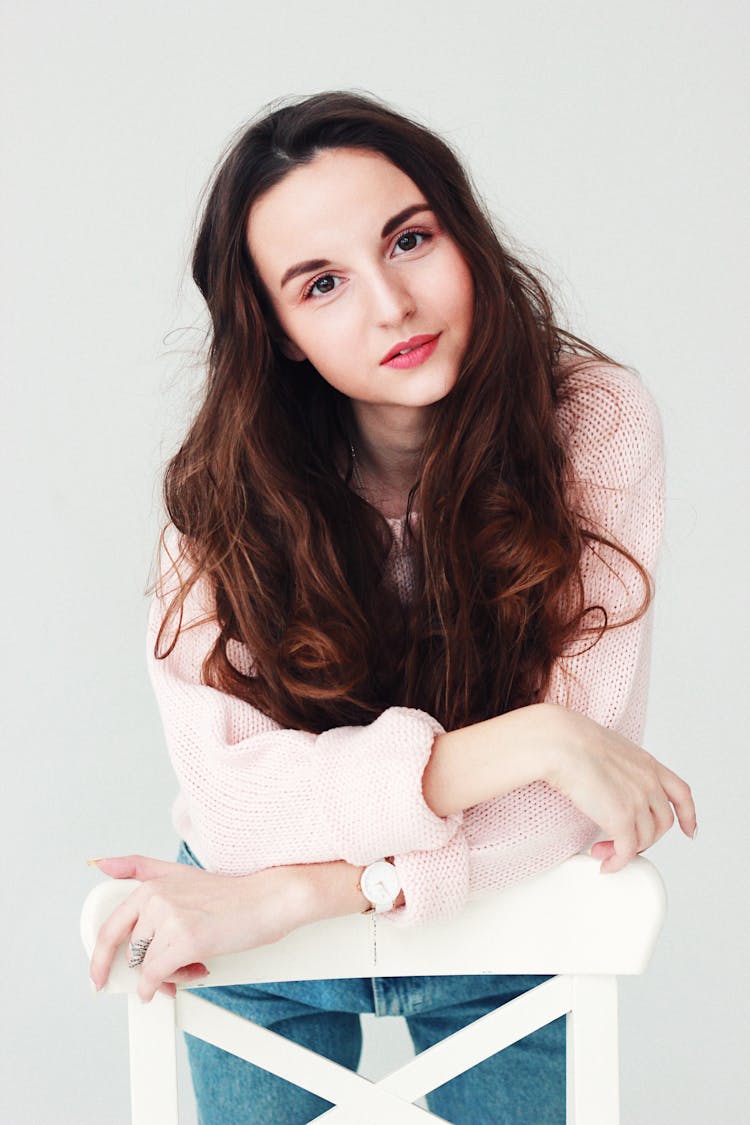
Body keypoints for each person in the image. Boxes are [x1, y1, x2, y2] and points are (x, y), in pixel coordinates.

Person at [89, 91, 696, 1124]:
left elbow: (567, 805)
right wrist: (536, 738)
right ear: (275, 330)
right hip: (256, 944)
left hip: (464, 907)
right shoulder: (219, 497)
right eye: (320, 283)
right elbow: (238, 808)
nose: (391, 304)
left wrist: (303, 891)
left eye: (408, 239)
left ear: (462, 230)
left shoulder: (591, 423)